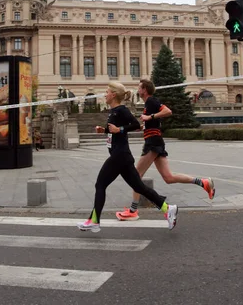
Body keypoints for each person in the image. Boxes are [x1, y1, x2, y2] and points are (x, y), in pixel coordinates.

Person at [77, 82, 178, 233]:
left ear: (113, 95)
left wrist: (120, 129)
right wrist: (104, 130)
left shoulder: (122, 110)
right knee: (139, 187)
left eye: (107, 92)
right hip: (123, 157)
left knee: (100, 185)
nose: (105, 94)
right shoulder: (113, 111)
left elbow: (135, 124)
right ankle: (168, 208)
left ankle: (94, 220)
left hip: (120, 155)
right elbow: (115, 131)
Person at [116, 79, 215, 221]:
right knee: (169, 177)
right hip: (155, 141)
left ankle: (133, 210)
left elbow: (168, 111)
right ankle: (203, 182)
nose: (138, 90)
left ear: (144, 90)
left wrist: (149, 117)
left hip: (153, 142)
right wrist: (146, 124)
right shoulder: (148, 104)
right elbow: (154, 120)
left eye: (139, 88)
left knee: (136, 175)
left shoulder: (151, 101)